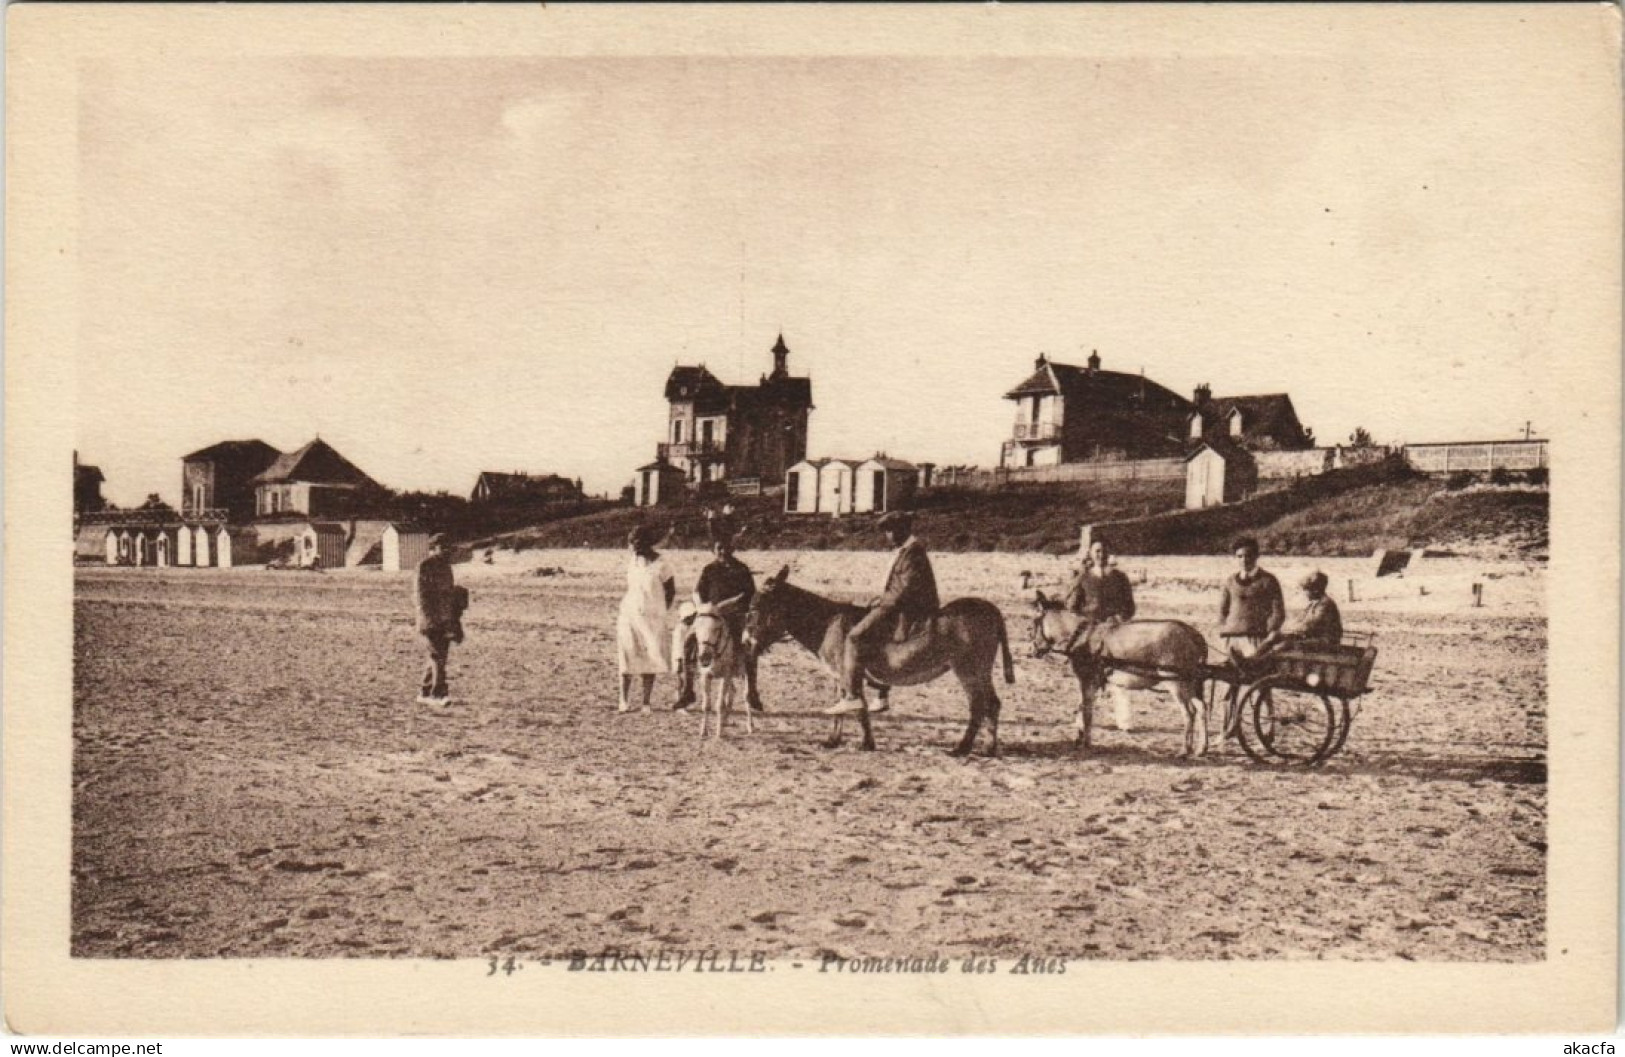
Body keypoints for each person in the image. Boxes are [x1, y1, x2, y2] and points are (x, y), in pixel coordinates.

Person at [829, 511, 939, 716]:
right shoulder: (906, 550)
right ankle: (881, 694)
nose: (887, 535)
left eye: (890, 531)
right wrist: (881, 599)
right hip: (901, 604)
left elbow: (905, 590)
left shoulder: (913, 553)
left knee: (854, 637)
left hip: (910, 608)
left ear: (902, 530)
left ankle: (852, 697)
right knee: (874, 636)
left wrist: (883, 601)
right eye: (887, 531)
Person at [674, 520, 765, 714]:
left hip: (734, 615)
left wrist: (733, 604)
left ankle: (752, 692)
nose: (723, 551)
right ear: (714, 550)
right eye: (719, 548)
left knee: (749, 648)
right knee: (689, 641)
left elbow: (749, 595)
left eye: (726, 547)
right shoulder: (709, 569)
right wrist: (701, 606)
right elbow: (698, 591)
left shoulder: (741, 569)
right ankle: (688, 689)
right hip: (709, 613)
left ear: (733, 548)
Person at [616, 523, 675, 713]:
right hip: (629, 615)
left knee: (650, 657)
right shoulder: (633, 561)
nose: (631, 547)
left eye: (633, 543)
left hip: (652, 618)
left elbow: (671, 591)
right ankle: (623, 700)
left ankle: (646, 702)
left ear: (643, 543)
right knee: (627, 655)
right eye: (630, 543)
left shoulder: (662, 564)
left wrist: (658, 611)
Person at [1217, 536, 1285, 663]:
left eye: (1248, 555)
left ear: (1256, 556)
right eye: (1239, 556)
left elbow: (1278, 612)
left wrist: (1268, 634)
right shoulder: (1230, 581)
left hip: (1256, 638)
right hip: (1231, 638)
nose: (1244, 560)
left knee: (1254, 672)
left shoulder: (1268, 580)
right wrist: (1225, 628)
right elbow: (1222, 610)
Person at [413, 533, 461, 706]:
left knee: (439, 656)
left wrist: (453, 619)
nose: (447, 551)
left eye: (449, 547)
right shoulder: (425, 566)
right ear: (433, 548)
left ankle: (425, 692)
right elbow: (421, 597)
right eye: (443, 547)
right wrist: (429, 621)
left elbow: (448, 596)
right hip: (432, 620)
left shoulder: (447, 567)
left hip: (446, 619)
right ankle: (438, 694)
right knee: (437, 656)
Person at [1063, 537, 1136, 649]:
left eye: (1104, 551)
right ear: (1090, 554)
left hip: (1117, 629)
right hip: (1090, 631)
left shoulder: (1120, 577)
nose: (1101, 555)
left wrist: (1119, 617)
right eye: (1097, 551)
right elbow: (1072, 607)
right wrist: (1087, 619)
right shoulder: (1083, 577)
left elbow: (1129, 606)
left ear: (1109, 553)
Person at [1260, 570, 1343, 652]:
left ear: (1315, 590)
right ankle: (1254, 658)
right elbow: (1300, 619)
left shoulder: (1325, 604)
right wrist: (1287, 630)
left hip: (1326, 641)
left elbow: (1311, 624)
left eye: (1306, 590)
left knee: (1284, 645)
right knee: (1274, 636)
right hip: (1313, 638)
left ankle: (1266, 660)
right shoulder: (1313, 604)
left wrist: (1291, 632)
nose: (1304, 593)